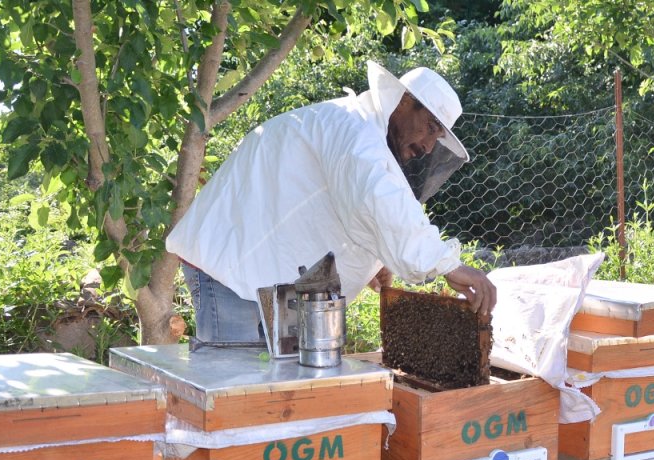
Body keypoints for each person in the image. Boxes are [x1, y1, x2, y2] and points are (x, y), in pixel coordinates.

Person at [167, 61, 496, 346]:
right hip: (231, 265)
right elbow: (379, 197)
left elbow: (330, 207)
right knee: (234, 392)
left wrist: (375, 257)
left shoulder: (359, 134)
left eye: (437, 137)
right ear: (404, 101)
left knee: (278, 391)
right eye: (430, 128)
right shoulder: (354, 131)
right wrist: (447, 264)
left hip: (270, 273)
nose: (427, 146)